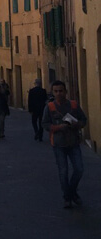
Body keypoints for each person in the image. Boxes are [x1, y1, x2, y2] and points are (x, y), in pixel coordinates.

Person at [42, 80, 87, 209]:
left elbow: (83, 120)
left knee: (79, 169)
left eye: (61, 91)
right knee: (63, 172)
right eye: (56, 91)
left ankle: (71, 193)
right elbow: (44, 124)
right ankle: (67, 197)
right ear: (52, 92)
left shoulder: (73, 105)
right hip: (58, 144)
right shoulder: (49, 107)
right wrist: (58, 127)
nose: (59, 93)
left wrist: (77, 124)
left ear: (65, 92)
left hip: (73, 143)